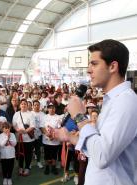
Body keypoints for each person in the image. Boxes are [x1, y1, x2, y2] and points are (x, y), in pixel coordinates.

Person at [54, 39, 137, 185]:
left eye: (94, 63)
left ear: (112, 66)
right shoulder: (112, 100)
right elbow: (97, 146)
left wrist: (79, 116)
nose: (88, 70)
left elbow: (101, 156)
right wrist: (71, 138)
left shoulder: (126, 101)